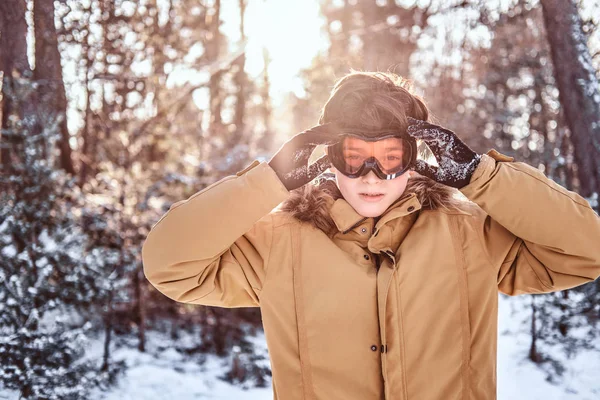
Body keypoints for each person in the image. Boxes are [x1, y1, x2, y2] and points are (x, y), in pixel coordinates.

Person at [142, 71, 600, 400]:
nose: (372, 176)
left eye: (390, 156)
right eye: (355, 155)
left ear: (416, 158)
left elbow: (587, 250)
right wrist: (270, 181)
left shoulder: (471, 235)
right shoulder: (279, 240)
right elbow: (169, 265)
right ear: (328, 156)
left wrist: (483, 176)